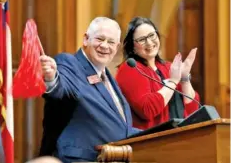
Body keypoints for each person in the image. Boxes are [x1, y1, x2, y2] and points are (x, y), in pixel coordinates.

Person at [39, 17, 141, 163]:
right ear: (86, 39)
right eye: (100, 39)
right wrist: (51, 78)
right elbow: (61, 89)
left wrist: (162, 134)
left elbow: (121, 128)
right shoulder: (69, 63)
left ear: (117, 47)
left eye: (111, 42)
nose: (105, 46)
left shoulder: (108, 78)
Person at [115, 17, 200, 130]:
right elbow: (147, 109)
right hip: (150, 142)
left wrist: (184, 79)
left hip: (179, 137)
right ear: (133, 47)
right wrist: (173, 81)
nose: (149, 42)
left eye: (152, 35)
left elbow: (193, 110)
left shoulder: (168, 67)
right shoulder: (130, 68)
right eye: (142, 39)